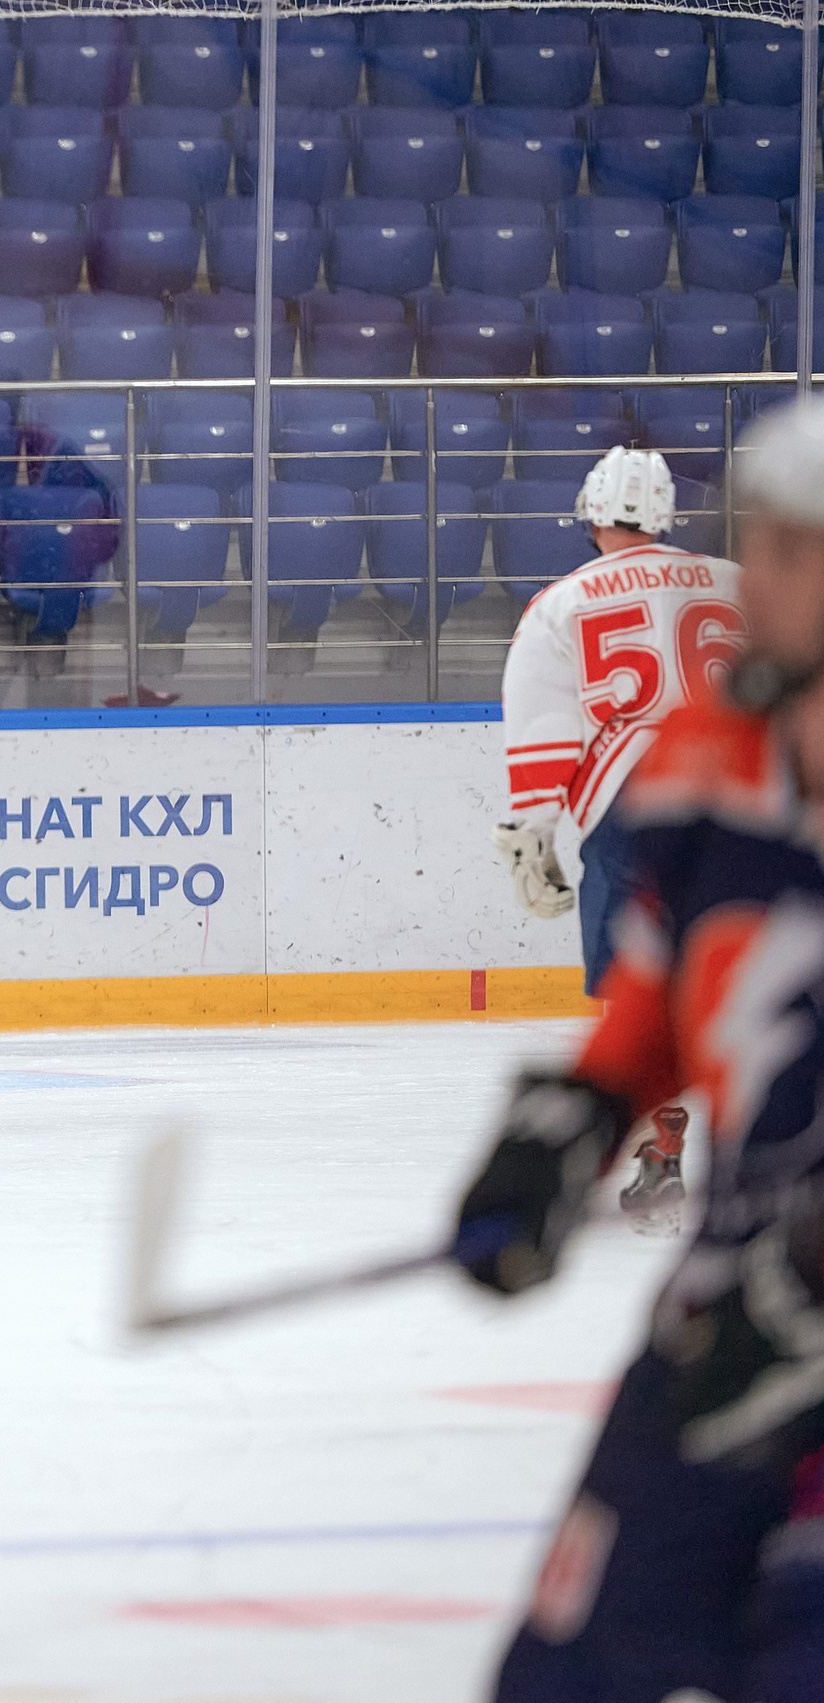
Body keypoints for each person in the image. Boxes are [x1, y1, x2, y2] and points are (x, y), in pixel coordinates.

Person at [453, 397, 824, 1701]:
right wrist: (571, 1121)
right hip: (727, 1313)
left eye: (801, 548)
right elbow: (659, 1003)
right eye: (764, 541)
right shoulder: (710, 751)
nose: (766, 576)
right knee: (563, 1662)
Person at [492, 446, 744, 1227]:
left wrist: (531, 830)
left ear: (592, 511)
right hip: (740, 799)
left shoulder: (560, 603)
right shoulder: (736, 582)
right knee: (747, 981)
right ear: (668, 514)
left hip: (630, 808)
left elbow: (543, 728)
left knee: (639, 993)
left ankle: (659, 1163)